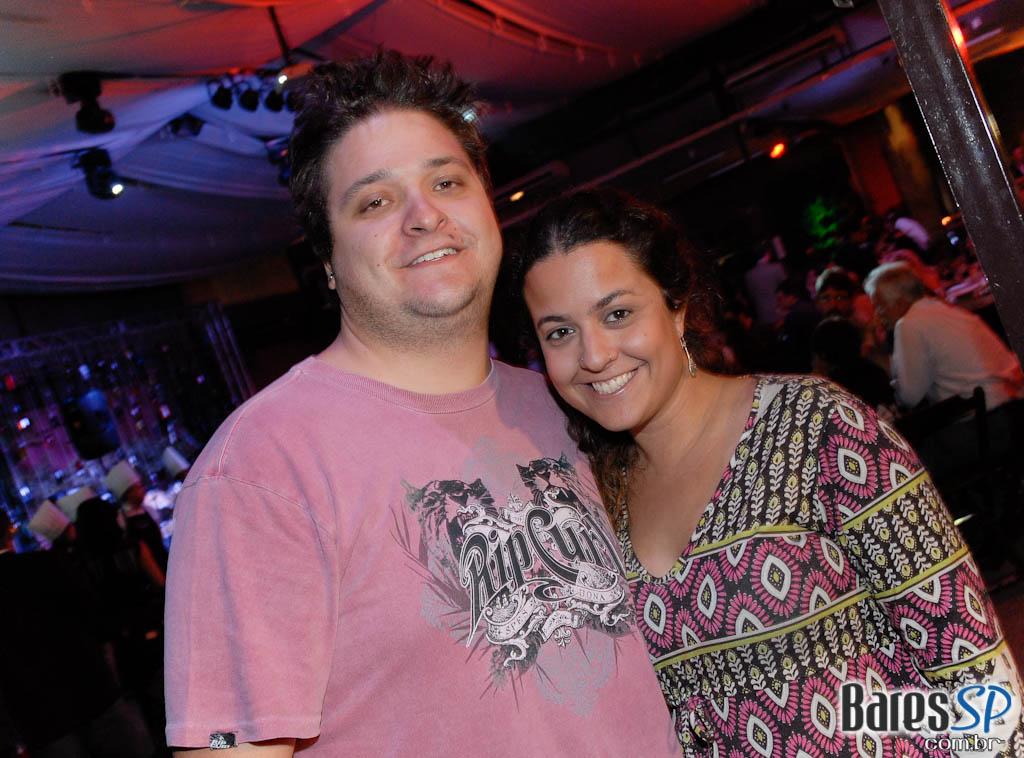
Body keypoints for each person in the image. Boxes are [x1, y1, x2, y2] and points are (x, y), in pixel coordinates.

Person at [164, 52, 679, 757]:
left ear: (488, 208)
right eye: (375, 202)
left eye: (446, 182)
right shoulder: (262, 465)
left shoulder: (568, 402)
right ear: (326, 262)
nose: (423, 216)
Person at [509, 186, 1024, 756]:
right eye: (560, 332)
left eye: (618, 313)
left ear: (677, 308)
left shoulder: (816, 426)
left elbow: (978, 673)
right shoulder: (597, 498)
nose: (594, 355)